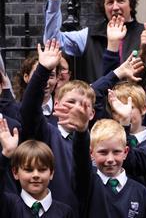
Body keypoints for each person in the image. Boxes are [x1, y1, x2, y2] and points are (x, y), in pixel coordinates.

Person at [20, 39, 96, 211]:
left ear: (91, 114)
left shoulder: (93, 139)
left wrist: (83, 132)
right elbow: (29, 110)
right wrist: (43, 69)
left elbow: (84, 176)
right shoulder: (48, 133)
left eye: (83, 105)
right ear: (56, 105)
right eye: (71, 102)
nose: (76, 108)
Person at [44, 0, 146, 83]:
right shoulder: (88, 36)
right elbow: (52, 42)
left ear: (131, 4)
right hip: (98, 108)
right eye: (110, 2)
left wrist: (144, 51)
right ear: (103, 7)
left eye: (120, 1)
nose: (115, 7)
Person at [71, 118, 146, 218]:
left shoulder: (141, 192)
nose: (110, 159)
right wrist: (81, 132)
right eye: (103, 152)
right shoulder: (87, 184)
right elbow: (80, 162)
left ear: (125, 152)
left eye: (116, 152)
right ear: (91, 153)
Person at [0, 129, 73, 218]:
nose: (36, 175)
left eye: (42, 170)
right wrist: (5, 155)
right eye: (28, 170)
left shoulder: (65, 212)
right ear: (15, 172)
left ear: (51, 173)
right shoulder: (8, 205)